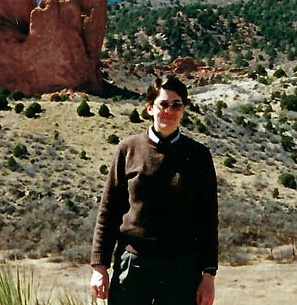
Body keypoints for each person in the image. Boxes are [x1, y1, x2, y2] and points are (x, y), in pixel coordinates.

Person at [91, 75, 218, 305]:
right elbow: (108, 211)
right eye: (163, 104)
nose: (169, 111)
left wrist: (208, 275)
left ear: (183, 110)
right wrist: (99, 267)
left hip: (181, 270)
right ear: (150, 108)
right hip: (133, 265)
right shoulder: (128, 150)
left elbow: (207, 218)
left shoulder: (198, 156)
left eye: (176, 105)